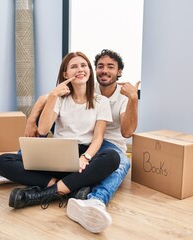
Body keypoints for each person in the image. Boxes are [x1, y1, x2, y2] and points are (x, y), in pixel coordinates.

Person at [23, 49, 140, 233]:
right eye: (100, 66)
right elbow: (44, 98)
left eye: (111, 67)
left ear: (119, 72)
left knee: (121, 161)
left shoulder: (123, 95)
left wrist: (133, 98)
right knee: (24, 153)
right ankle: (76, 187)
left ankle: (95, 201)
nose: (104, 70)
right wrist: (30, 121)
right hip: (84, 142)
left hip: (108, 145)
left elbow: (127, 132)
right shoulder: (85, 84)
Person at [0, 52, 120, 218]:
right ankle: (68, 188)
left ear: (89, 70)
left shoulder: (100, 101)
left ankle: (43, 194)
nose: (80, 69)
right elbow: (43, 130)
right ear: (65, 74)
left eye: (84, 65)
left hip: (82, 158)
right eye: (74, 66)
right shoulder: (60, 99)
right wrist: (53, 96)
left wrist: (86, 157)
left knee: (112, 157)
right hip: (57, 156)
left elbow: (98, 138)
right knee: (2, 161)